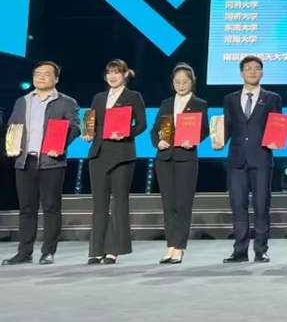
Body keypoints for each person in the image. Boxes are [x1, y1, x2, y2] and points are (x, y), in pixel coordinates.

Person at [2, 61, 81, 266]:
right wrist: (12, 146)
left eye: (46, 74)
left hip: (51, 161)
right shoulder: (22, 101)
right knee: (26, 208)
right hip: (24, 161)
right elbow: (12, 126)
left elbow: (75, 128)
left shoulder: (66, 102)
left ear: (56, 78)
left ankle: (48, 252)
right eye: (37, 73)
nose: (41, 77)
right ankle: (24, 252)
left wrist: (60, 146)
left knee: (51, 207)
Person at [221, 55, 283, 264]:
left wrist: (276, 140)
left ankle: (261, 250)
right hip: (237, 159)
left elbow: (277, 125)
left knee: (261, 205)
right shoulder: (230, 99)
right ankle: (239, 250)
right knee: (238, 206)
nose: (252, 72)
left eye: (257, 68)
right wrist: (218, 139)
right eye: (248, 68)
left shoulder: (273, 98)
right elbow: (227, 126)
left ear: (262, 72)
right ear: (241, 73)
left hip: (262, 158)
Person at [85, 59, 146, 265]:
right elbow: (91, 123)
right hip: (98, 154)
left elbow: (142, 124)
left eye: (117, 72)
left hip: (122, 154)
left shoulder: (133, 96)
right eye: (109, 72)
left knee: (119, 203)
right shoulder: (98, 98)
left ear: (125, 75)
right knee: (99, 204)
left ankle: (113, 250)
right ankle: (96, 250)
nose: (112, 76)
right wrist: (88, 133)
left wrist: (126, 133)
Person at [151, 63, 209, 265]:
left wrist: (194, 140)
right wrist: (158, 142)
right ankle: (170, 245)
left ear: (192, 82)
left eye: (185, 82)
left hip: (186, 157)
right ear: (172, 83)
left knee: (183, 204)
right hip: (165, 158)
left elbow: (204, 130)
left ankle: (179, 247)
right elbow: (155, 130)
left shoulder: (199, 104)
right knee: (169, 204)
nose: (181, 85)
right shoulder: (166, 103)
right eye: (177, 82)